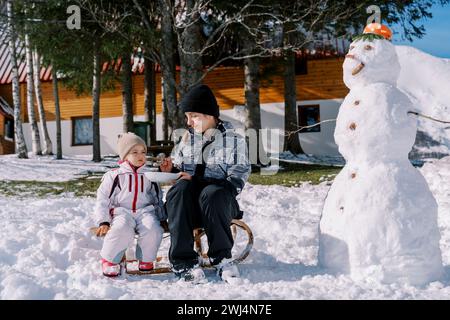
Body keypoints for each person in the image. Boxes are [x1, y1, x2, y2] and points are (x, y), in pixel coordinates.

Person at [160, 84, 251, 283]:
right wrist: (171, 170)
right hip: (188, 208)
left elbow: (235, 181)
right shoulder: (186, 140)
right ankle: (183, 262)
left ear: (210, 115)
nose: (189, 122)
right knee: (180, 189)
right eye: (187, 117)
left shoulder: (235, 141)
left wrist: (198, 180)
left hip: (219, 205)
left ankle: (222, 259)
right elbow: (180, 170)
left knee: (212, 192)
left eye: (193, 116)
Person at [94, 133, 166, 277]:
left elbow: (157, 199)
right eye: (135, 152)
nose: (140, 155)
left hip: (145, 212)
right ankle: (110, 260)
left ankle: (146, 259)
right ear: (125, 155)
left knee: (153, 230)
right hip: (122, 212)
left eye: (143, 152)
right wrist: (104, 221)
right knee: (121, 230)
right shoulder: (114, 175)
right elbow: (103, 199)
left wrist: (162, 218)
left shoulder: (149, 176)